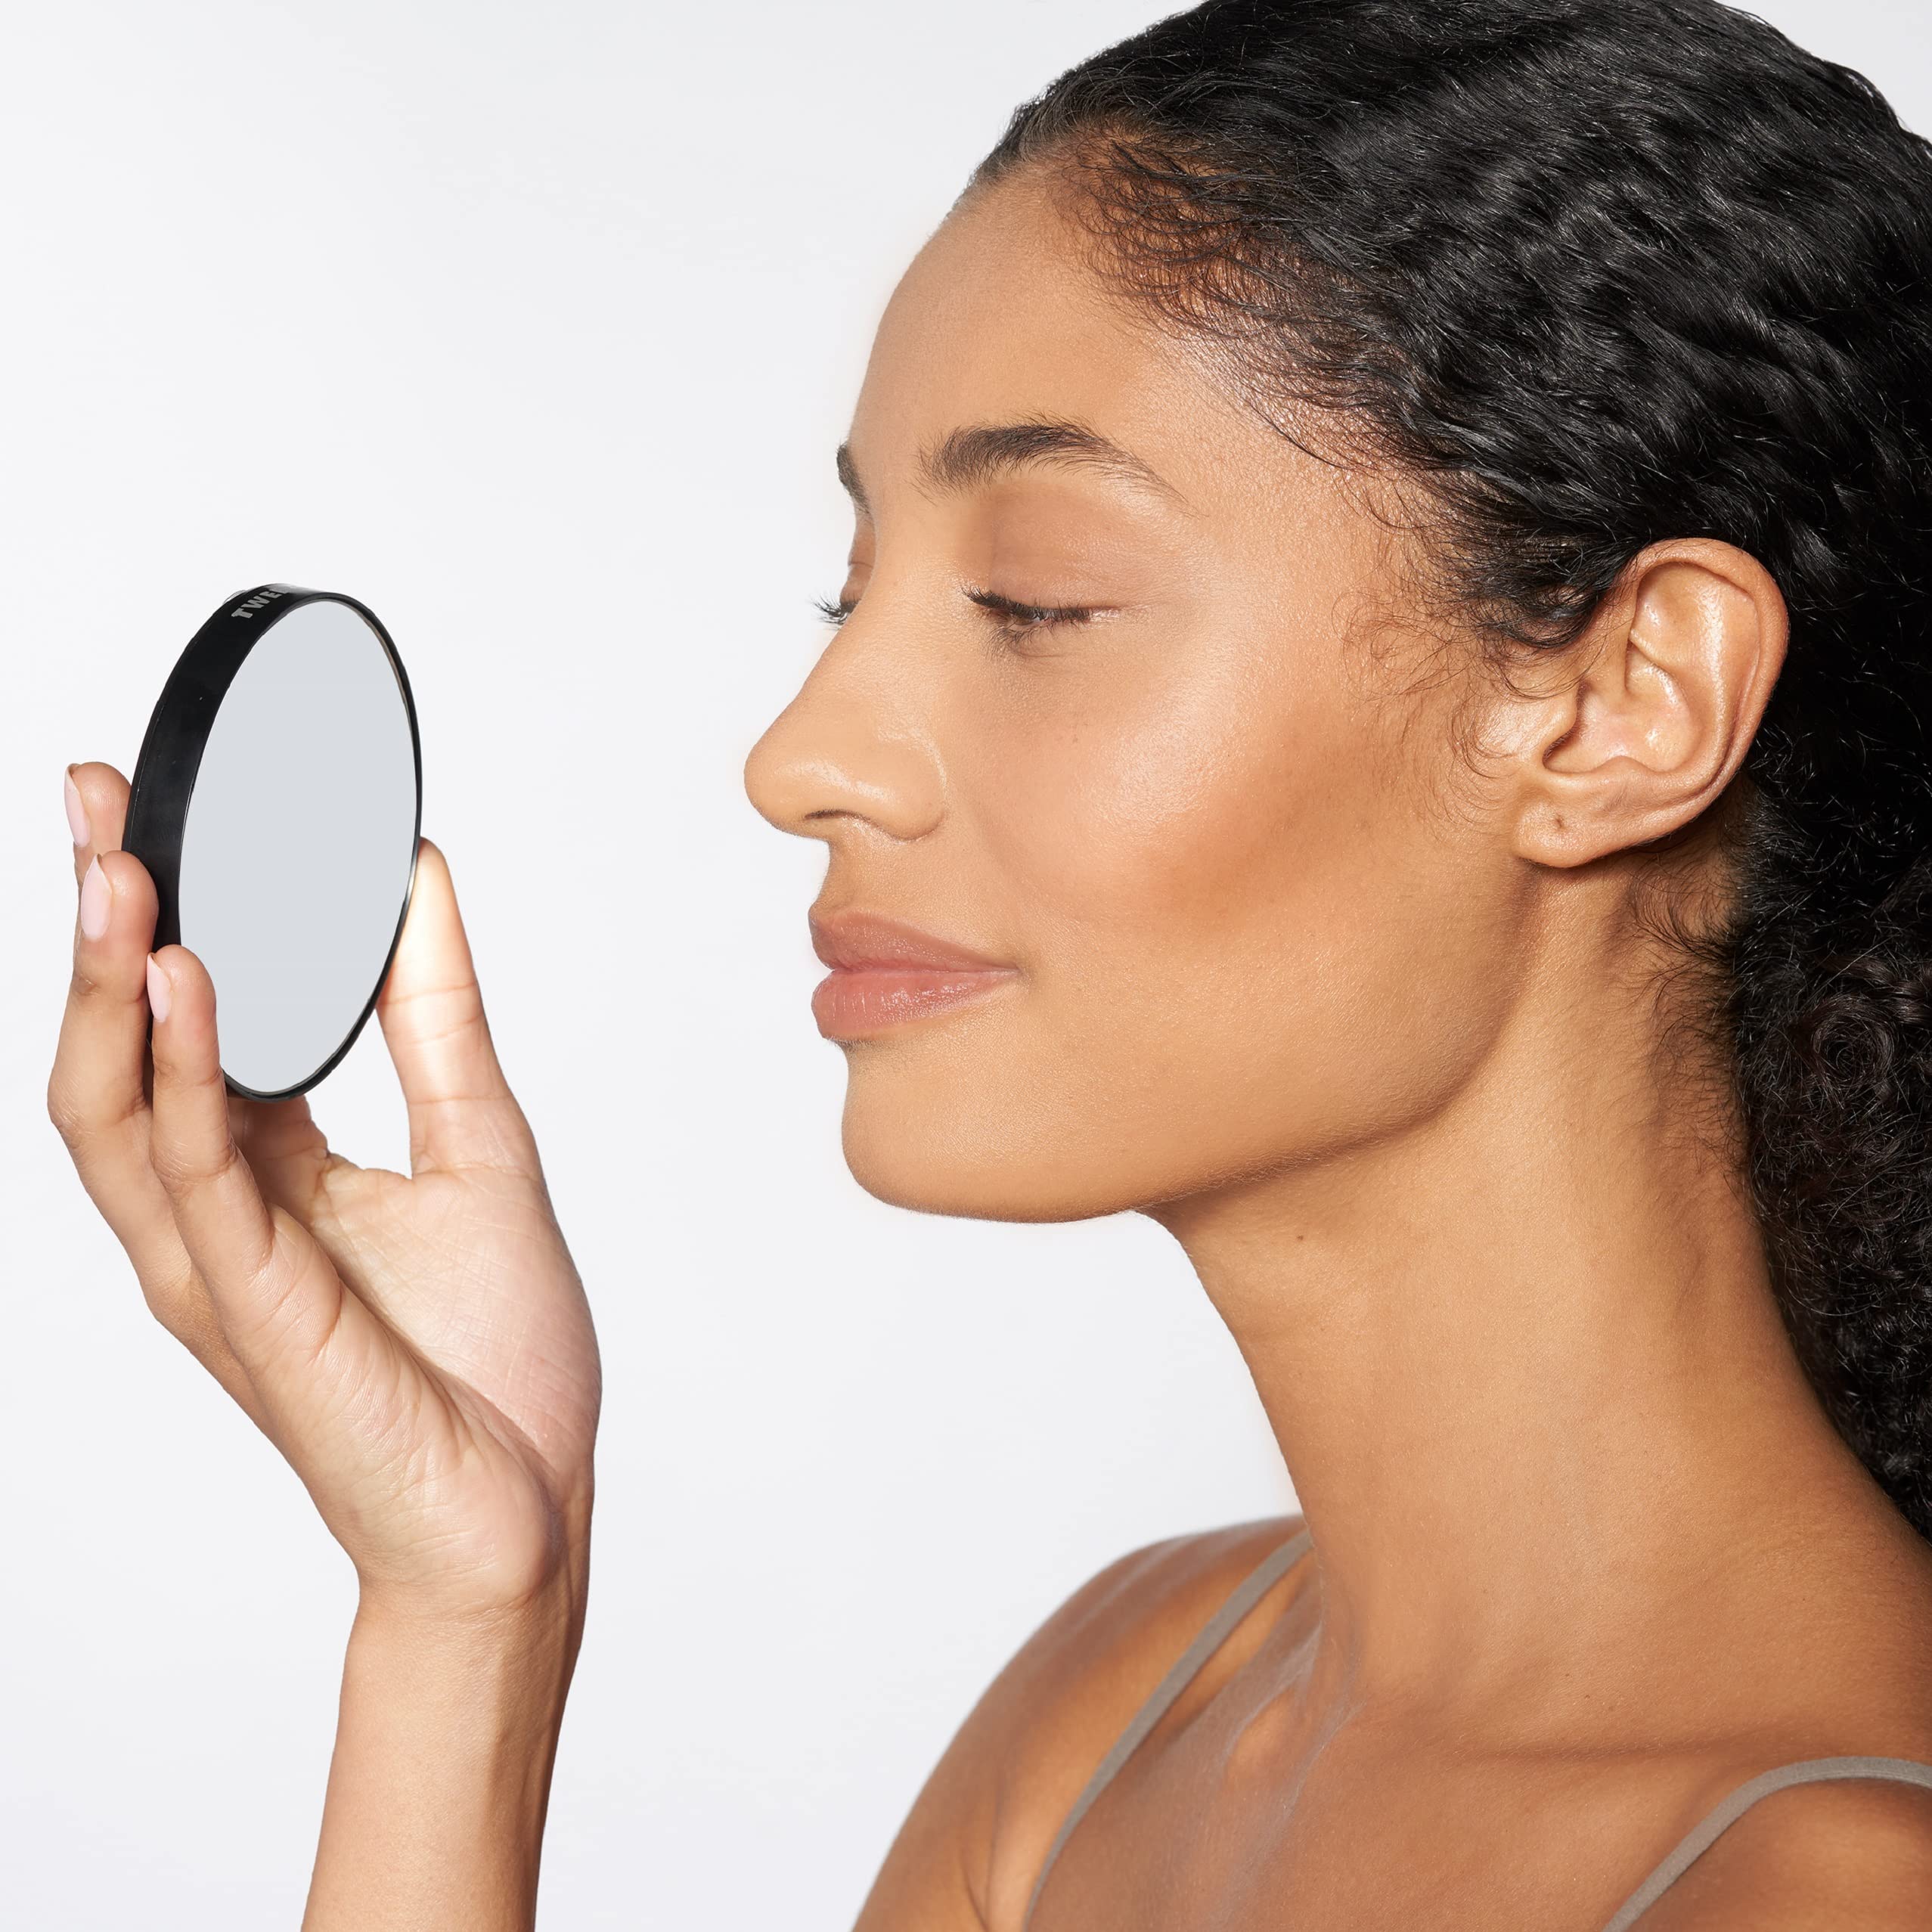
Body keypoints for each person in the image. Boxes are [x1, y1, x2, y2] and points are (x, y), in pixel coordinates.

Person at [48, 0, 1932, 1925]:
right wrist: (466, 1607)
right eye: (850, 592)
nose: (800, 758)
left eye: (1038, 600)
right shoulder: (1121, 1716)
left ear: (1623, 705)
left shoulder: (1837, 1886)